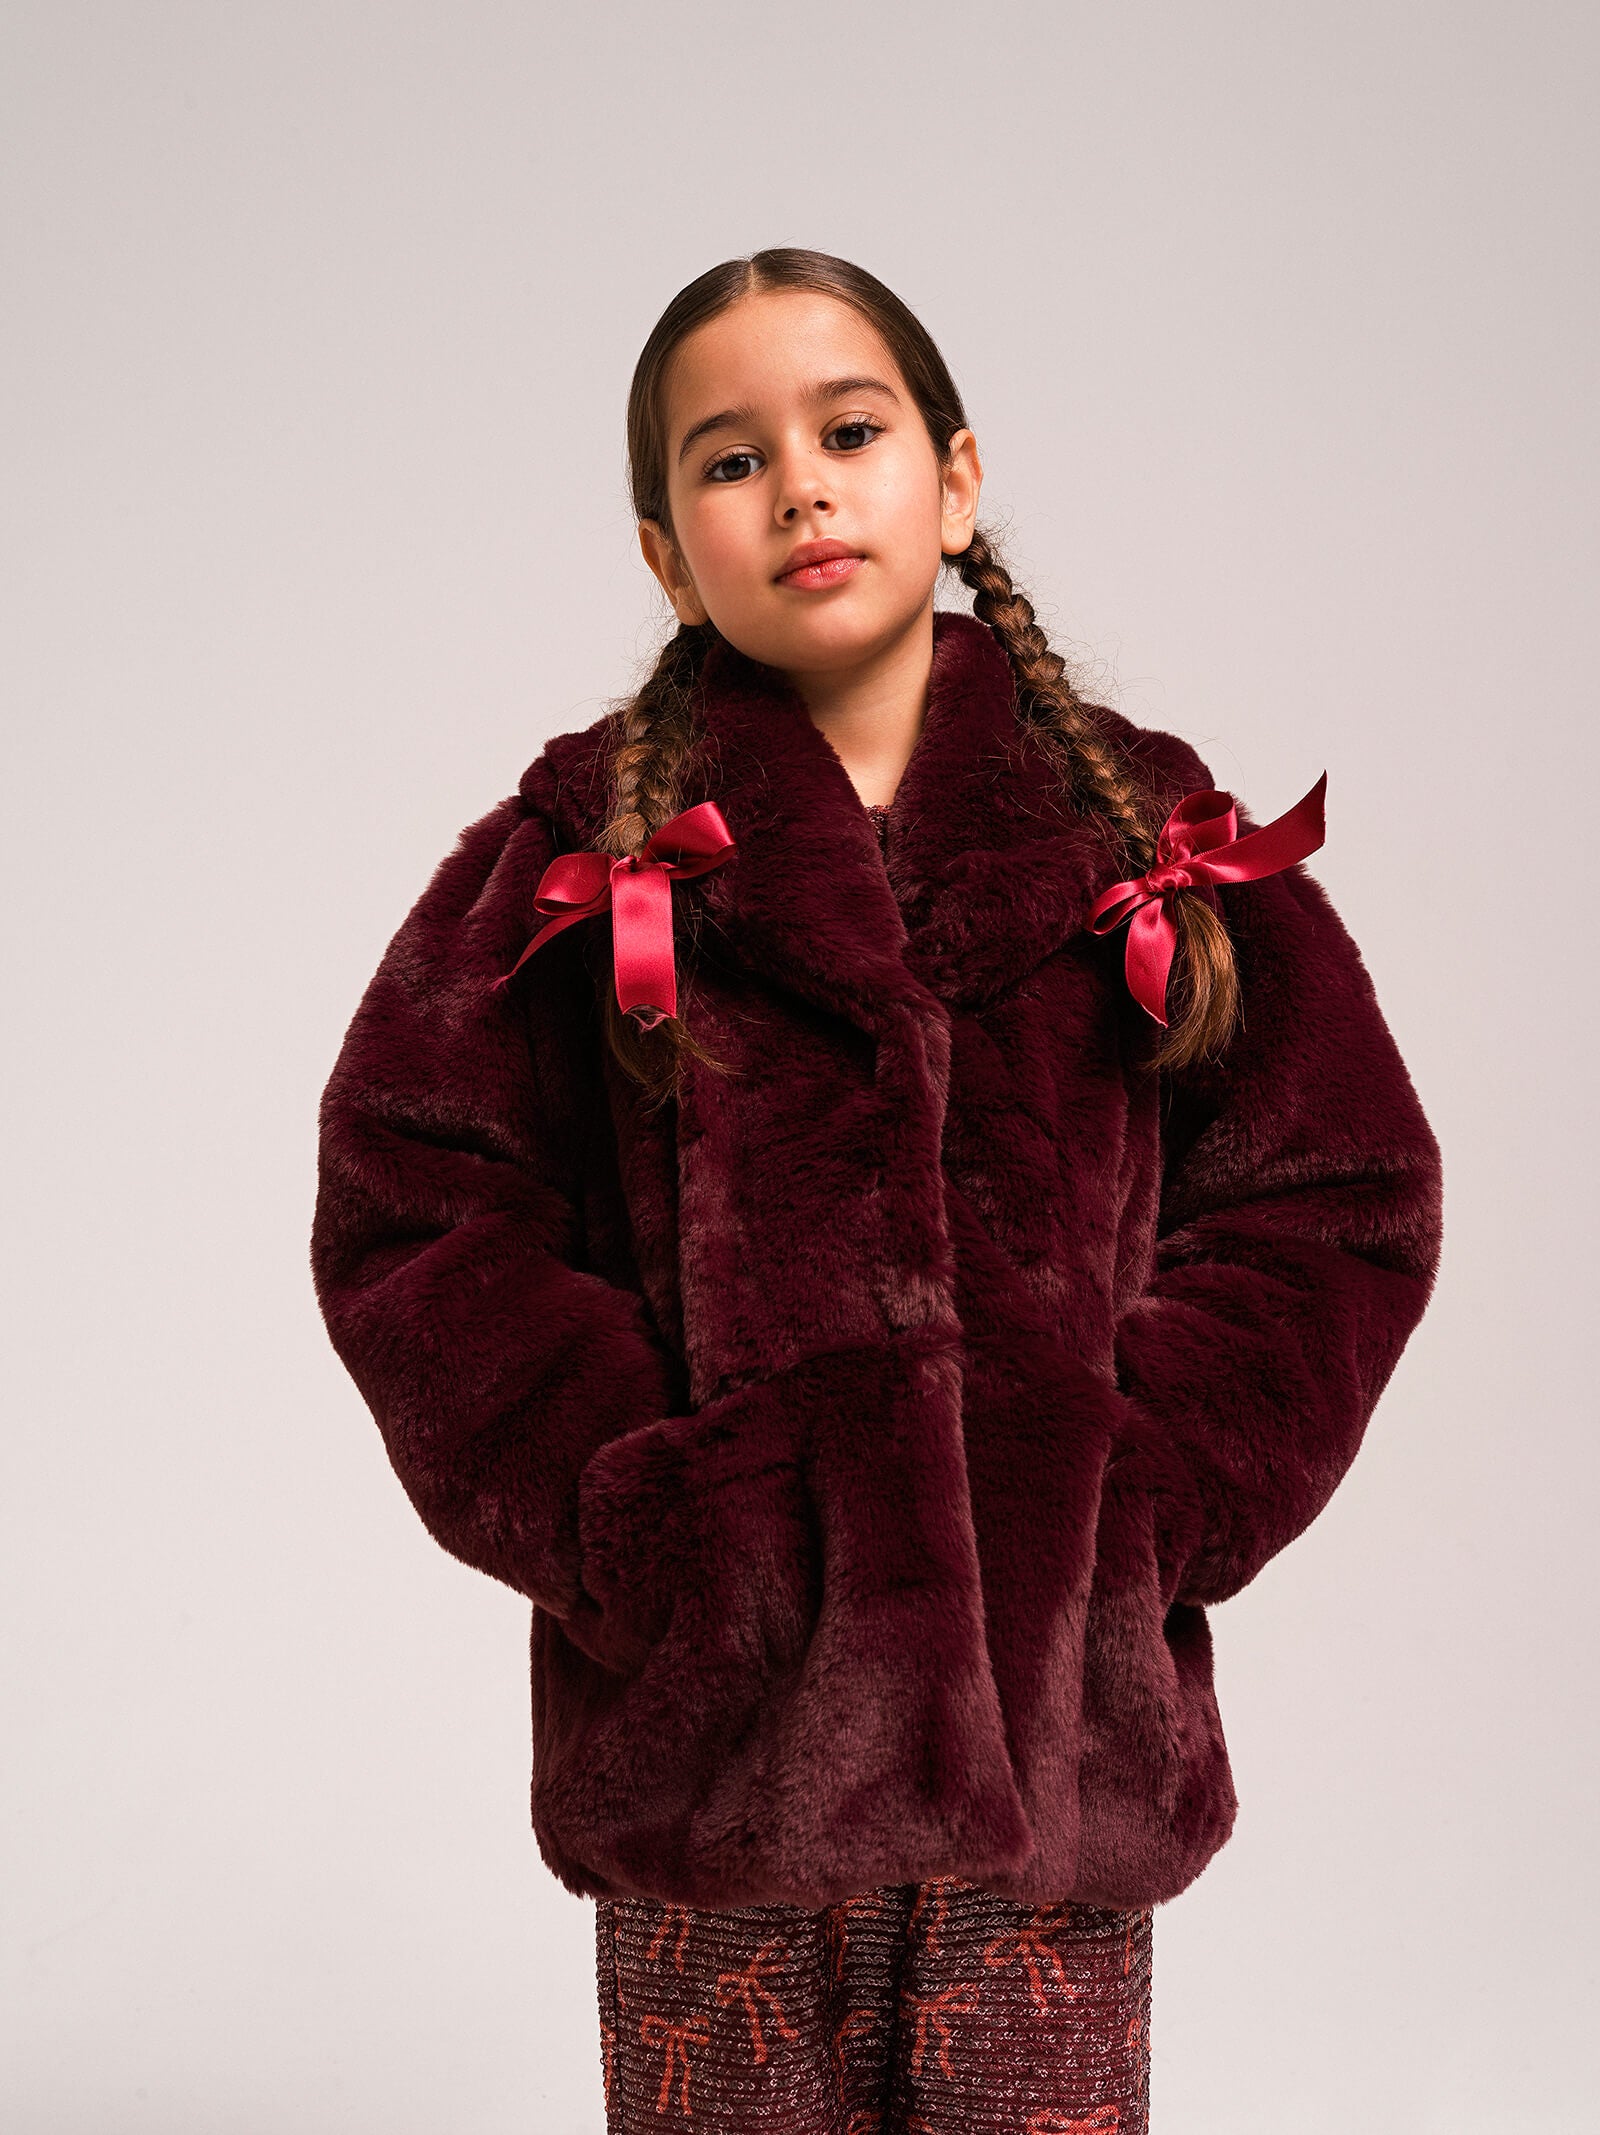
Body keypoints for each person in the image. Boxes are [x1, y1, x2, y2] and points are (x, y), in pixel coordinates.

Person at [311, 249, 1443, 2133]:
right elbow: (415, 1212)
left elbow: (1336, 1197)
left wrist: (1144, 1497)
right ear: (670, 555)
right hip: (720, 1756)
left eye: (850, 432)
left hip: (1057, 1754)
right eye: (730, 460)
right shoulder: (579, 861)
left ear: (958, 476)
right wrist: (647, 1527)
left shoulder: (1146, 843)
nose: (802, 489)